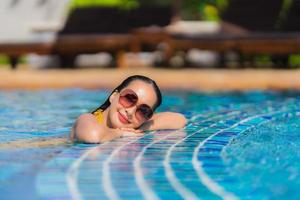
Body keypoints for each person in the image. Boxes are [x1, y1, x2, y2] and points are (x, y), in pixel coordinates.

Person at [70, 75, 187, 143]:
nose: (130, 112)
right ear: (114, 96)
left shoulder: (135, 125)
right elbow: (92, 137)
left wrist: (139, 126)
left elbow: (180, 119)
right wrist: (120, 132)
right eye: (129, 98)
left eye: (143, 111)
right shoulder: (87, 118)